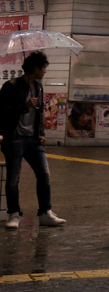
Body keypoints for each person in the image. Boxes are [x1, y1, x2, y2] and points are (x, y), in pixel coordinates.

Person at [1, 52, 66, 228]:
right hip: (15, 138)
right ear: (35, 68)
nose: (45, 71)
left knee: (44, 174)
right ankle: (14, 214)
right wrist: (24, 106)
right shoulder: (11, 86)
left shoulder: (38, 86)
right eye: (43, 68)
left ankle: (45, 212)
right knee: (13, 179)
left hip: (33, 139)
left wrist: (41, 132)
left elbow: (39, 112)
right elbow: (3, 111)